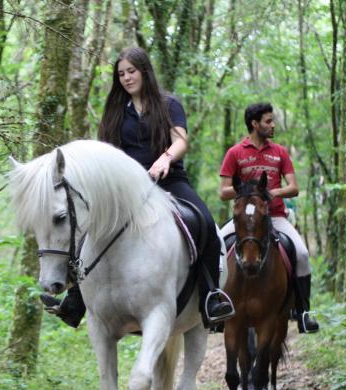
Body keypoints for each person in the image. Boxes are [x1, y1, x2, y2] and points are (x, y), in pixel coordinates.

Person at [42, 46, 234, 329]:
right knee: (85, 226)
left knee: (204, 221)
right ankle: (75, 298)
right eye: (121, 74)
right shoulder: (117, 111)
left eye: (131, 71)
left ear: (144, 71)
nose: (126, 78)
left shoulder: (169, 104)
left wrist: (165, 159)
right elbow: (107, 151)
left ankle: (210, 296)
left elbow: (181, 141)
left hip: (169, 182)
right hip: (127, 190)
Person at [219, 102, 320, 334]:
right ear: (254, 124)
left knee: (302, 254)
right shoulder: (235, 153)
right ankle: (216, 306)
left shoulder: (280, 152)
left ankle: (303, 312)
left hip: (274, 217)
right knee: (217, 250)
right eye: (268, 121)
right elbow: (223, 192)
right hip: (244, 220)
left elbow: (293, 187)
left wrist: (273, 192)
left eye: (272, 121)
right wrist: (249, 190)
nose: (273, 125)